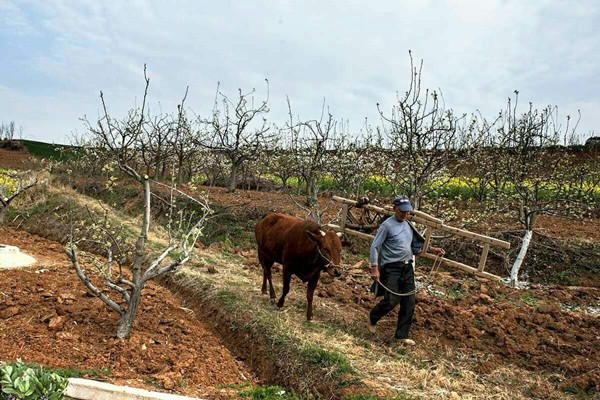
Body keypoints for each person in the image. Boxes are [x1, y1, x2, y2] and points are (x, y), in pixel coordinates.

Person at [368, 195, 445, 346]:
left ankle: (401, 336)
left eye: (407, 211)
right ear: (394, 209)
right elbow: (375, 247)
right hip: (392, 267)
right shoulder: (387, 226)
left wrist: (433, 249)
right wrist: (374, 268)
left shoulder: (408, 224)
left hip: (407, 266)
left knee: (409, 301)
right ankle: (373, 317)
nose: (405, 214)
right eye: (402, 211)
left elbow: (414, 244)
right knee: (392, 300)